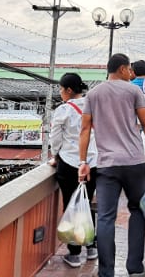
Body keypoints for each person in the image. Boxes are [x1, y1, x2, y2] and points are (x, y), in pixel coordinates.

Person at [78, 53, 145, 277]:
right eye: (129, 70)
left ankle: (106, 272)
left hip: (106, 165)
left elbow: (85, 129)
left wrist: (82, 162)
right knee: (138, 211)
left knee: (106, 217)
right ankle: (134, 267)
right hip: (134, 162)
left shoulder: (94, 93)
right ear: (121, 69)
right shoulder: (134, 91)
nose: (131, 74)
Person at [49, 72, 98, 268]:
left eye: (61, 89)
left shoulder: (63, 110)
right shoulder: (93, 106)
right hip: (93, 163)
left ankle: (75, 254)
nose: (61, 93)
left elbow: (55, 138)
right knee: (87, 203)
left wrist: (56, 155)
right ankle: (92, 247)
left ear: (69, 90)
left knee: (71, 205)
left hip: (70, 163)